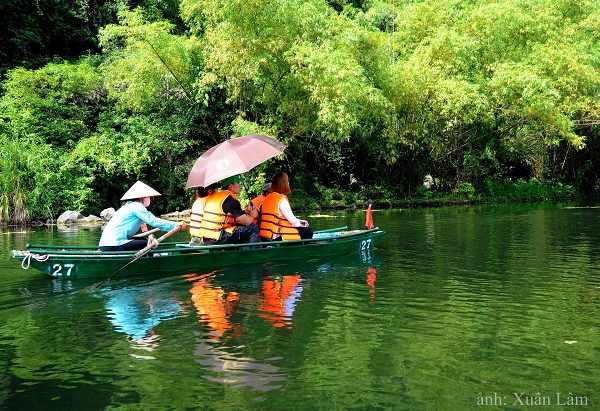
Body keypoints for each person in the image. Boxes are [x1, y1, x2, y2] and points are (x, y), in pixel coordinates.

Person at [99, 181, 186, 251]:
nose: (150, 200)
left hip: (105, 244)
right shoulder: (137, 207)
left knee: (144, 241)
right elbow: (154, 221)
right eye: (149, 198)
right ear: (143, 197)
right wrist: (176, 225)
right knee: (146, 244)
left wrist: (164, 227)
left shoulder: (127, 206)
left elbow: (149, 224)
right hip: (113, 244)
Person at [199, 175, 260, 245]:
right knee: (252, 227)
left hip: (206, 238)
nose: (240, 185)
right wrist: (252, 215)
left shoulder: (218, 196)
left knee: (240, 228)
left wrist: (246, 212)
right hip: (218, 238)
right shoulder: (230, 200)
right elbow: (247, 222)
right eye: (238, 183)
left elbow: (230, 219)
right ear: (231, 186)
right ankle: (254, 254)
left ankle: (241, 250)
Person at [259, 172, 313, 241]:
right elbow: (292, 220)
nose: (288, 183)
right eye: (287, 181)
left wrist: (300, 221)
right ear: (283, 184)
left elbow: (283, 217)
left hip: (266, 234)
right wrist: (302, 225)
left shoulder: (268, 197)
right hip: (276, 235)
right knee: (308, 231)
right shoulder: (281, 199)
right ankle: (302, 250)